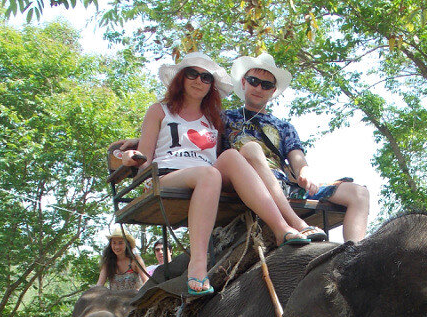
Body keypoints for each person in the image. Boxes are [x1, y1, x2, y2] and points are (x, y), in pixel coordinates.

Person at [134, 52, 316, 298]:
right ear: (180, 78)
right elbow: (144, 153)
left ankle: (281, 227)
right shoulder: (160, 110)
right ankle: (197, 264)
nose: (199, 80)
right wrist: (128, 156)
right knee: (209, 174)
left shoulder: (214, 118)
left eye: (206, 77)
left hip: (210, 176)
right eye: (192, 74)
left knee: (231, 157)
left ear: (211, 85)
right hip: (169, 174)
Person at [223, 52, 370, 242]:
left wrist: (304, 171)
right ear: (244, 82)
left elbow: (297, 157)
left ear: (273, 90)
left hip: (284, 187)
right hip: (247, 184)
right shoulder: (223, 118)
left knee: (359, 193)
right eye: (254, 81)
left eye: (266, 85)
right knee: (252, 149)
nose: (259, 88)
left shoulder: (284, 126)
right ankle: (295, 223)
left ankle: (353, 254)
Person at [97, 224, 148, 290]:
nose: (117, 247)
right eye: (114, 243)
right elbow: (99, 284)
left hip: (135, 298)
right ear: (110, 244)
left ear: (127, 244)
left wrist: (138, 292)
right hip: (114, 299)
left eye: (120, 243)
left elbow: (146, 281)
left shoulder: (135, 259)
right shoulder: (107, 262)